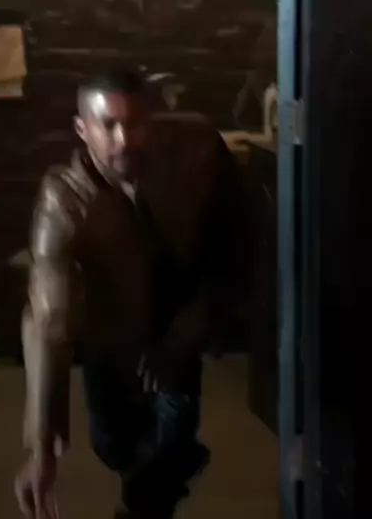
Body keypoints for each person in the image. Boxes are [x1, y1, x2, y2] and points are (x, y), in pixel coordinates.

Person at [14, 68, 250, 519]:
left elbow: (237, 250)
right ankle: (171, 466)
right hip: (111, 333)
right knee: (114, 445)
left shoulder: (198, 153)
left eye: (136, 123)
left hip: (179, 321)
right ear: (82, 129)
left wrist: (188, 334)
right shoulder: (63, 202)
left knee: (166, 444)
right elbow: (49, 321)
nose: (124, 140)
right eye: (108, 126)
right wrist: (41, 447)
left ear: (153, 120)